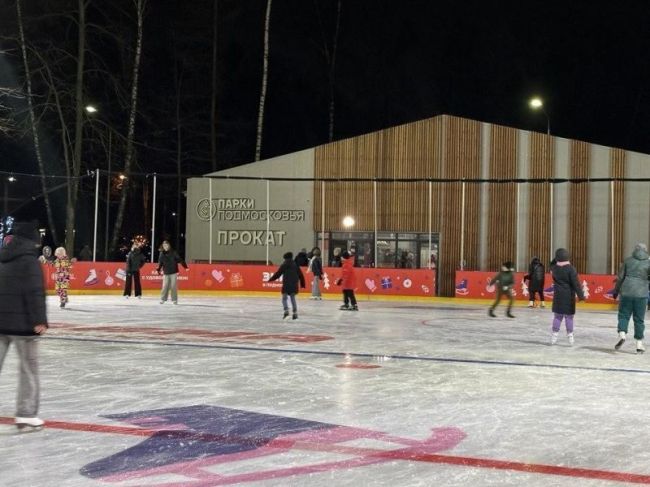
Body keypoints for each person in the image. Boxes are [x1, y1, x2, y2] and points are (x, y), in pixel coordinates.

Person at [0, 221, 48, 430]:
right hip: (24, 326)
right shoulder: (30, 261)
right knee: (28, 370)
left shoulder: (2, 259)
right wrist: (40, 320)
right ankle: (26, 414)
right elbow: (35, 292)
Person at [613, 243, 650, 353]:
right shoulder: (648, 262)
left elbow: (620, 278)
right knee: (639, 319)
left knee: (623, 315)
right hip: (641, 294)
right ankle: (639, 345)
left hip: (626, 292)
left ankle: (622, 335)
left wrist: (616, 291)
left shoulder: (628, 261)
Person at [550, 248, 585, 345]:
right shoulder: (571, 269)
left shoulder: (554, 269)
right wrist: (581, 296)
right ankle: (570, 336)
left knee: (557, 317)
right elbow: (576, 284)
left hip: (558, 296)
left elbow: (552, 263)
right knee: (569, 317)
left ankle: (554, 335)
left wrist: (556, 259)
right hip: (568, 297)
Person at [268, 251, 305, 319]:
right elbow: (301, 275)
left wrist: (271, 279)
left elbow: (278, 273)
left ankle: (286, 311)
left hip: (286, 284)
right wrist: (302, 284)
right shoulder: (295, 265)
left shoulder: (284, 264)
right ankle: (295, 313)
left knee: (284, 298)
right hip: (294, 284)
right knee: (292, 298)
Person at [156, 240, 188, 305]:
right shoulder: (161, 253)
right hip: (166, 272)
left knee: (173, 286)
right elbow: (160, 263)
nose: (165, 246)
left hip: (173, 272)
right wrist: (158, 269)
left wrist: (185, 267)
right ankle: (163, 299)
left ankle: (174, 300)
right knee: (165, 286)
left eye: (166, 245)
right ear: (163, 246)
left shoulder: (173, 252)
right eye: (164, 245)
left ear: (169, 245)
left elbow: (180, 259)